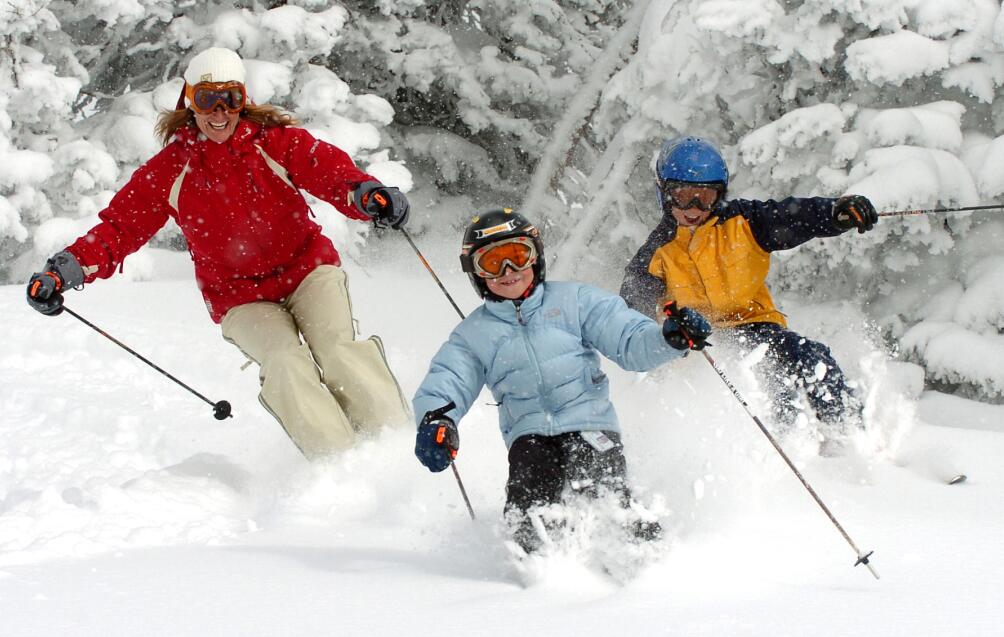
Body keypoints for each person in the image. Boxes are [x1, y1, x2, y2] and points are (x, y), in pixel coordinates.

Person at [25, 47, 412, 460]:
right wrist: (64, 270)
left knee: (336, 349)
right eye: (208, 99)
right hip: (240, 296)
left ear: (243, 101)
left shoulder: (275, 143)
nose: (220, 112)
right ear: (190, 101)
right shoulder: (171, 170)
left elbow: (330, 172)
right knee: (285, 363)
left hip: (307, 270)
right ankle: (342, 463)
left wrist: (366, 193)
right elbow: (120, 228)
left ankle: (397, 446)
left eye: (231, 98)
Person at [412, 208, 712, 553]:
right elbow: (447, 380)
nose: (508, 272)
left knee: (601, 487)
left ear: (536, 259)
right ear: (476, 274)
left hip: (590, 424)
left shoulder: (576, 301)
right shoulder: (473, 335)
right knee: (530, 502)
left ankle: (639, 554)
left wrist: (668, 339)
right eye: (493, 263)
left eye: (517, 256)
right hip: (530, 436)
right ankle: (539, 569)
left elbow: (630, 341)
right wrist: (437, 421)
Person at [620, 136, 879, 454]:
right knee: (757, 391)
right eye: (683, 197)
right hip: (700, 342)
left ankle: (848, 438)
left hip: (754, 325)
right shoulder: (657, 252)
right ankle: (772, 452)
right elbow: (632, 306)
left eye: (705, 197)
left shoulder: (746, 222)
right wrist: (669, 330)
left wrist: (836, 212)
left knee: (809, 358)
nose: (693, 209)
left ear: (720, 194)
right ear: (664, 193)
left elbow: (794, 215)